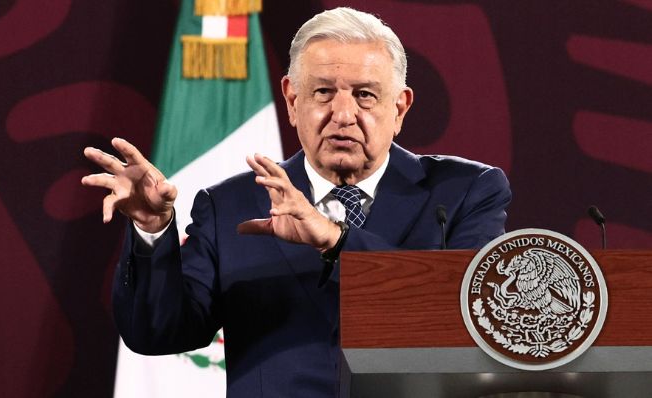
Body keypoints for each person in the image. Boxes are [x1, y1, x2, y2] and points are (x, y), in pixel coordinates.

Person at [82, 7, 511, 398]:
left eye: (365, 94)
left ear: (400, 107)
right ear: (292, 100)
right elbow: (156, 332)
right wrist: (153, 228)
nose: (343, 114)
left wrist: (337, 241)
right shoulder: (231, 205)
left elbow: (474, 319)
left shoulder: (463, 192)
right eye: (323, 92)